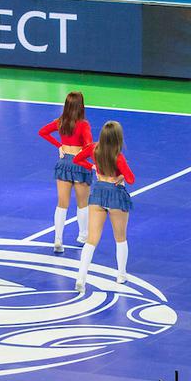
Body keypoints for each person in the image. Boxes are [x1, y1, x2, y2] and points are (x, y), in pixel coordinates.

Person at [73, 120, 136, 292]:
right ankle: (121, 274)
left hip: (98, 193)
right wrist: (120, 177)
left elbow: (78, 159)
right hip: (116, 195)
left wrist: (92, 166)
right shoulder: (118, 157)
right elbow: (131, 178)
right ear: (118, 138)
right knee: (120, 238)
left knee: (91, 240)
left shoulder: (94, 149)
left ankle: (81, 277)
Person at [40, 91, 94, 252]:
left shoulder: (60, 122)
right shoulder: (84, 124)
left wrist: (59, 146)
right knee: (83, 203)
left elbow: (42, 132)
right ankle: (83, 235)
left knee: (62, 204)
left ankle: (58, 239)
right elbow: (89, 146)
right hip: (79, 163)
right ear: (81, 106)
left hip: (64, 163)